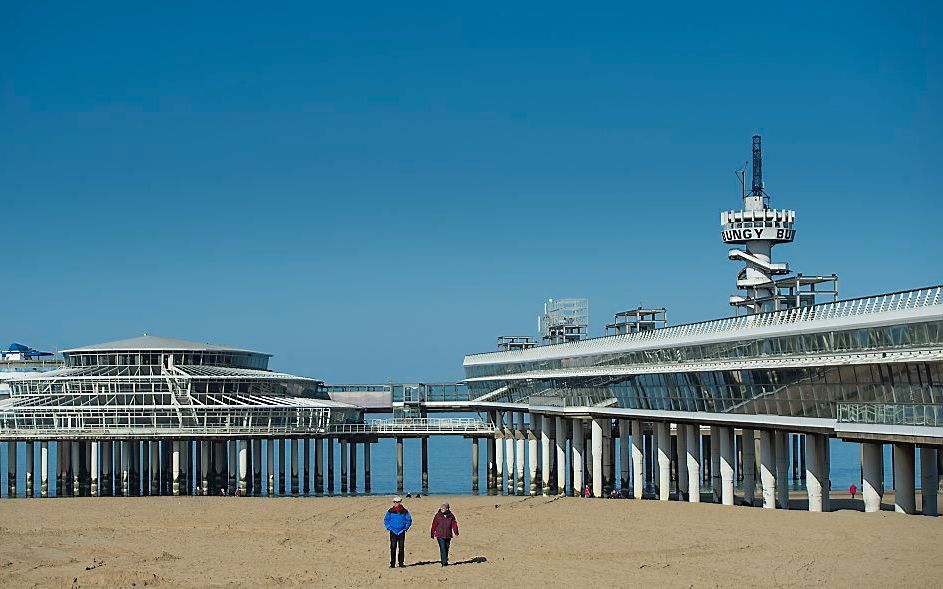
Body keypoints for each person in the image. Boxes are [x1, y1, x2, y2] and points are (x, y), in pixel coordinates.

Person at [384, 496, 412, 568]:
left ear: (400, 502)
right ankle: (392, 564)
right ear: (393, 502)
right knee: (393, 547)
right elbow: (386, 520)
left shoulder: (404, 511)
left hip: (401, 532)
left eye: (398, 502)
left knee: (401, 547)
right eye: (395, 502)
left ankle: (401, 563)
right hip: (393, 531)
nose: (396, 503)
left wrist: (405, 528)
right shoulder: (390, 511)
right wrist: (389, 527)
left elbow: (409, 520)